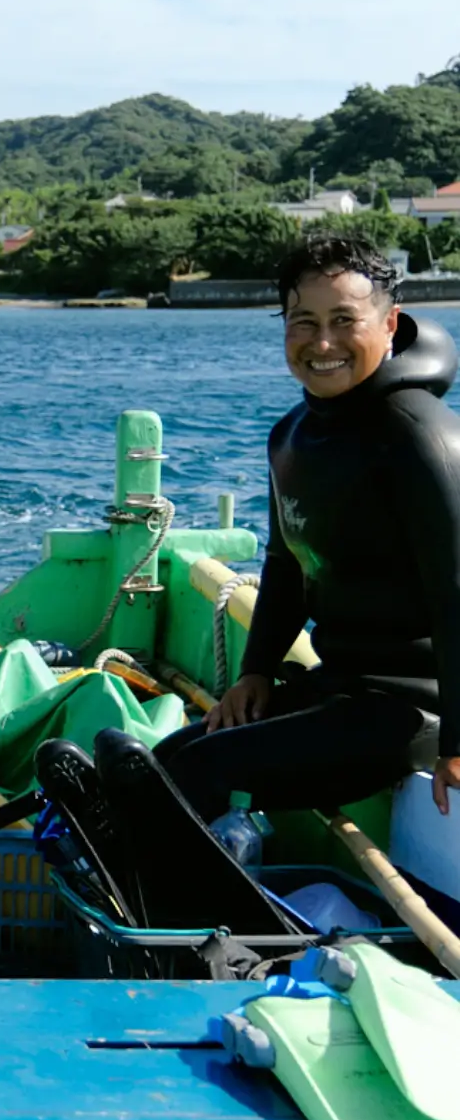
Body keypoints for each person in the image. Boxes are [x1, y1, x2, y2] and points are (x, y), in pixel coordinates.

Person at [160, 233, 460, 823]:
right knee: (165, 759)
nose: (323, 343)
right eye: (303, 322)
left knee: (201, 773)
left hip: (416, 709)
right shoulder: (293, 435)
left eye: (344, 320)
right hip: (343, 687)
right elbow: (287, 563)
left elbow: (458, 593)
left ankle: (185, 914)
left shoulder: (419, 437)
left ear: (391, 324)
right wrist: (256, 671)